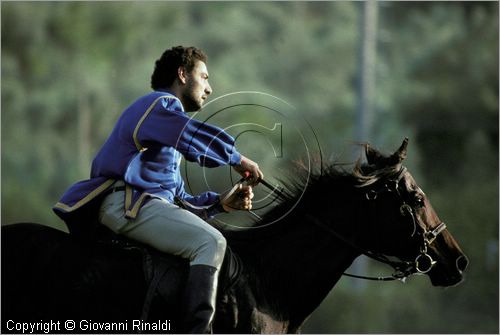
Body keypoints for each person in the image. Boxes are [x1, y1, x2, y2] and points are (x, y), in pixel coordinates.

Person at [53, 46, 263, 333]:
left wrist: (220, 204)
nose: (210, 88)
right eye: (203, 76)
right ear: (182, 74)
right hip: (127, 206)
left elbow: (177, 201)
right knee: (211, 244)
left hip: (142, 206)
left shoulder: (165, 142)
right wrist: (236, 158)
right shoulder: (158, 104)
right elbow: (190, 135)